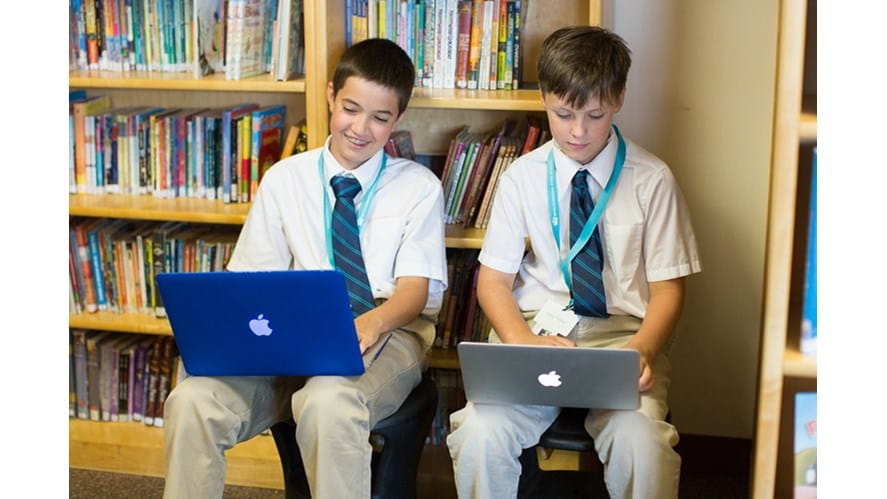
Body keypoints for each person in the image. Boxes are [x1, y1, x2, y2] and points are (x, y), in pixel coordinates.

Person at [162, 38, 448, 499]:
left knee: (329, 402)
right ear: (331, 95)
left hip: (387, 327)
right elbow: (250, 283)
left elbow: (414, 293)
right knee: (193, 401)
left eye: (380, 118)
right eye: (351, 108)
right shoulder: (285, 178)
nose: (360, 128)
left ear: (399, 118)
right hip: (288, 336)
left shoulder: (418, 187)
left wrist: (369, 324)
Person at [446, 26, 702, 499]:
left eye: (594, 114)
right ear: (544, 98)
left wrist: (641, 350)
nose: (578, 131)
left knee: (641, 442)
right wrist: (521, 343)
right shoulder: (522, 177)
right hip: (535, 334)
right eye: (563, 114)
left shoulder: (653, 180)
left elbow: (669, 290)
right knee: (479, 432)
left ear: (620, 98)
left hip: (624, 337)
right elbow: (493, 281)